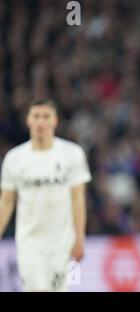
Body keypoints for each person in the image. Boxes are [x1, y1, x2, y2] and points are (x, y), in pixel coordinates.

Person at [0, 99, 91, 291]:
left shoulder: (72, 154)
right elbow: (7, 201)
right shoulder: (14, 159)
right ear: (28, 120)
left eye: (46, 116)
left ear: (55, 121)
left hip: (62, 241)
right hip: (29, 242)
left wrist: (79, 237)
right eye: (36, 116)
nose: (41, 121)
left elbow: (78, 198)